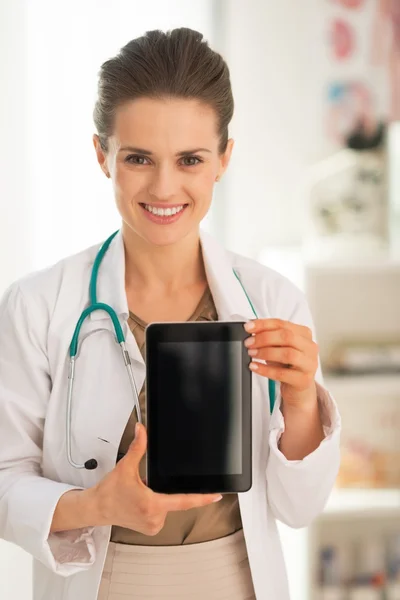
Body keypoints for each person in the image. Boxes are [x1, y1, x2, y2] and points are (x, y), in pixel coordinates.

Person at [0, 28, 341, 600]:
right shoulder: (38, 305)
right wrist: (94, 505)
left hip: (237, 582)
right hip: (100, 584)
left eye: (190, 159)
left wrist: (303, 399)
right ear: (101, 155)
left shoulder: (272, 300)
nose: (164, 186)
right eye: (138, 158)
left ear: (223, 159)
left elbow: (299, 507)